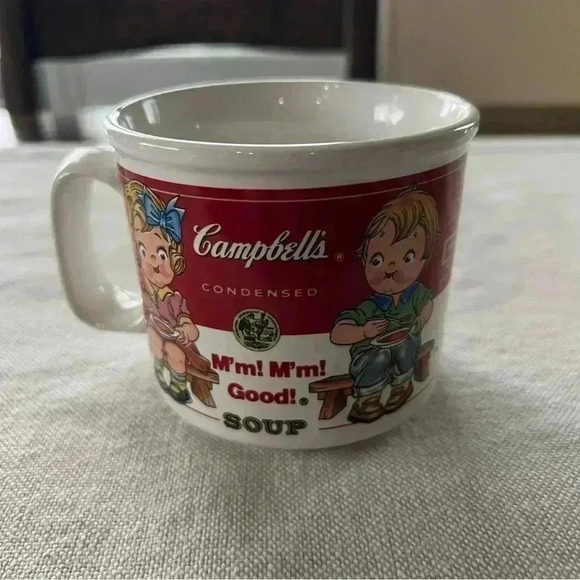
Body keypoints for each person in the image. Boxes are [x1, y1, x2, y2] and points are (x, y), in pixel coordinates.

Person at [330, 184, 439, 423]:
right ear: (363, 261)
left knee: (407, 345)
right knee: (376, 357)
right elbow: (337, 333)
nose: (390, 267)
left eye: (407, 257)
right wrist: (362, 331)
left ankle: (402, 387)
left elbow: (427, 304)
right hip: (371, 355)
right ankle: (367, 400)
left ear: (424, 260)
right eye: (377, 260)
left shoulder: (415, 294)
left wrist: (421, 319)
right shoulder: (370, 307)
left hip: (404, 346)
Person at [124, 180, 199, 404]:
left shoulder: (174, 300)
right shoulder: (149, 293)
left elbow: (187, 322)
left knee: (176, 354)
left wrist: (186, 330)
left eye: (161, 254)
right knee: (156, 341)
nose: (153, 261)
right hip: (158, 332)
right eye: (143, 251)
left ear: (175, 259)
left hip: (175, 338)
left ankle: (178, 387)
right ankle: (159, 369)